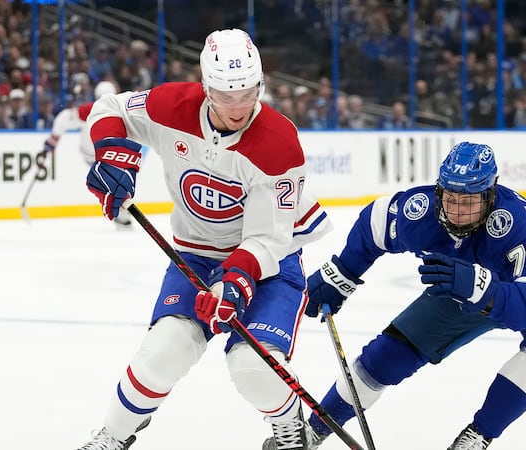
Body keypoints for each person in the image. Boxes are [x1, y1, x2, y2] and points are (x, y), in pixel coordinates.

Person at [75, 28, 332, 450]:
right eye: (226, 95)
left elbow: (269, 238)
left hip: (268, 263)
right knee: (164, 351)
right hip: (194, 254)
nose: (238, 107)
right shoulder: (172, 105)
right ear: (206, 85)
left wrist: (234, 282)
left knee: (252, 365)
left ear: (260, 84)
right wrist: (110, 154)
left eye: (247, 93)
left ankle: (289, 427)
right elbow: (109, 108)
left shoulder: (279, 143)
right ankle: (112, 437)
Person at [292, 142, 526, 449]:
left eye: (470, 201)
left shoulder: (516, 226)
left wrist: (481, 288)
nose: (458, 210)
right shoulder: (421, 211)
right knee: (388, 356)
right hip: (463, 279)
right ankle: (315, 429)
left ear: (490, 195)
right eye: (451, 198)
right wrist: (342, 274)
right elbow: (375, 222)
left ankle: (478, 435)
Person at [41, 79, 137, 229]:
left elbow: (64, 118)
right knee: (115, 182)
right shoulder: (114, 109)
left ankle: (119, 208)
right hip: (104, 155)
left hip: (96, 155)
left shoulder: (92, 109)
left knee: (113, 182)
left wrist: (54, 138)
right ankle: (119, 210)